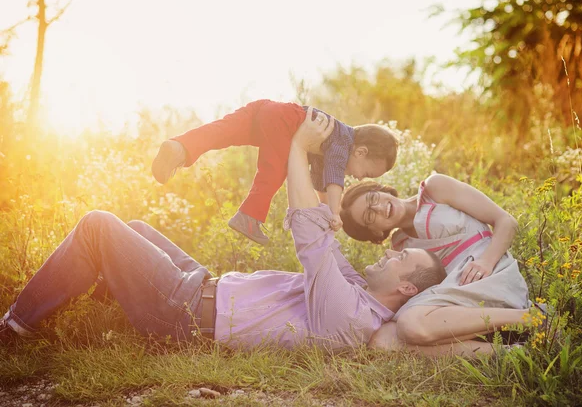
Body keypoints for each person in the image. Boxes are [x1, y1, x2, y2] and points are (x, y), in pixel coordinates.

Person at [0, 109, 443, 352]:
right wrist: (320, 180)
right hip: (205, 287)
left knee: (98, 226)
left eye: (400, 258)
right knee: (134, 228)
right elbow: (322, 228)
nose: (387, 252)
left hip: (186, 313)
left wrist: (297, 147)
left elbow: (311, 236)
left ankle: (15, 325)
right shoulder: (357, 291)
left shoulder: (350, 313)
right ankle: (102, 303)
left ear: (405, 288)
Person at [151, 99, 399, 245]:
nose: (359, 178)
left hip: (266, 109)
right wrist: (335, 212)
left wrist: (325, 213)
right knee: (275, 169)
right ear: (361, 152)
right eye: (366, 173)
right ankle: (248, 217)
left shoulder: (331, 142)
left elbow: (321, 183)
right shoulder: (342, 141)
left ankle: (180, 147)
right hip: (282, 121)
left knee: (222, 132)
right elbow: (334, 179)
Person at [339, 176, 533, 355]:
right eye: (370, 216)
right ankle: (509, 352)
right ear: (375, 232)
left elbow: (506, 221)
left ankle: (530, 318)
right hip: (454, 297)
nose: (380, 208)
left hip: (487, 272)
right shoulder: (400, 246)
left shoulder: (434, 189)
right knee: (382, 339)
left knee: (410, 324)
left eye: (374, 198)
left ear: (383, 190)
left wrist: (487, 261)